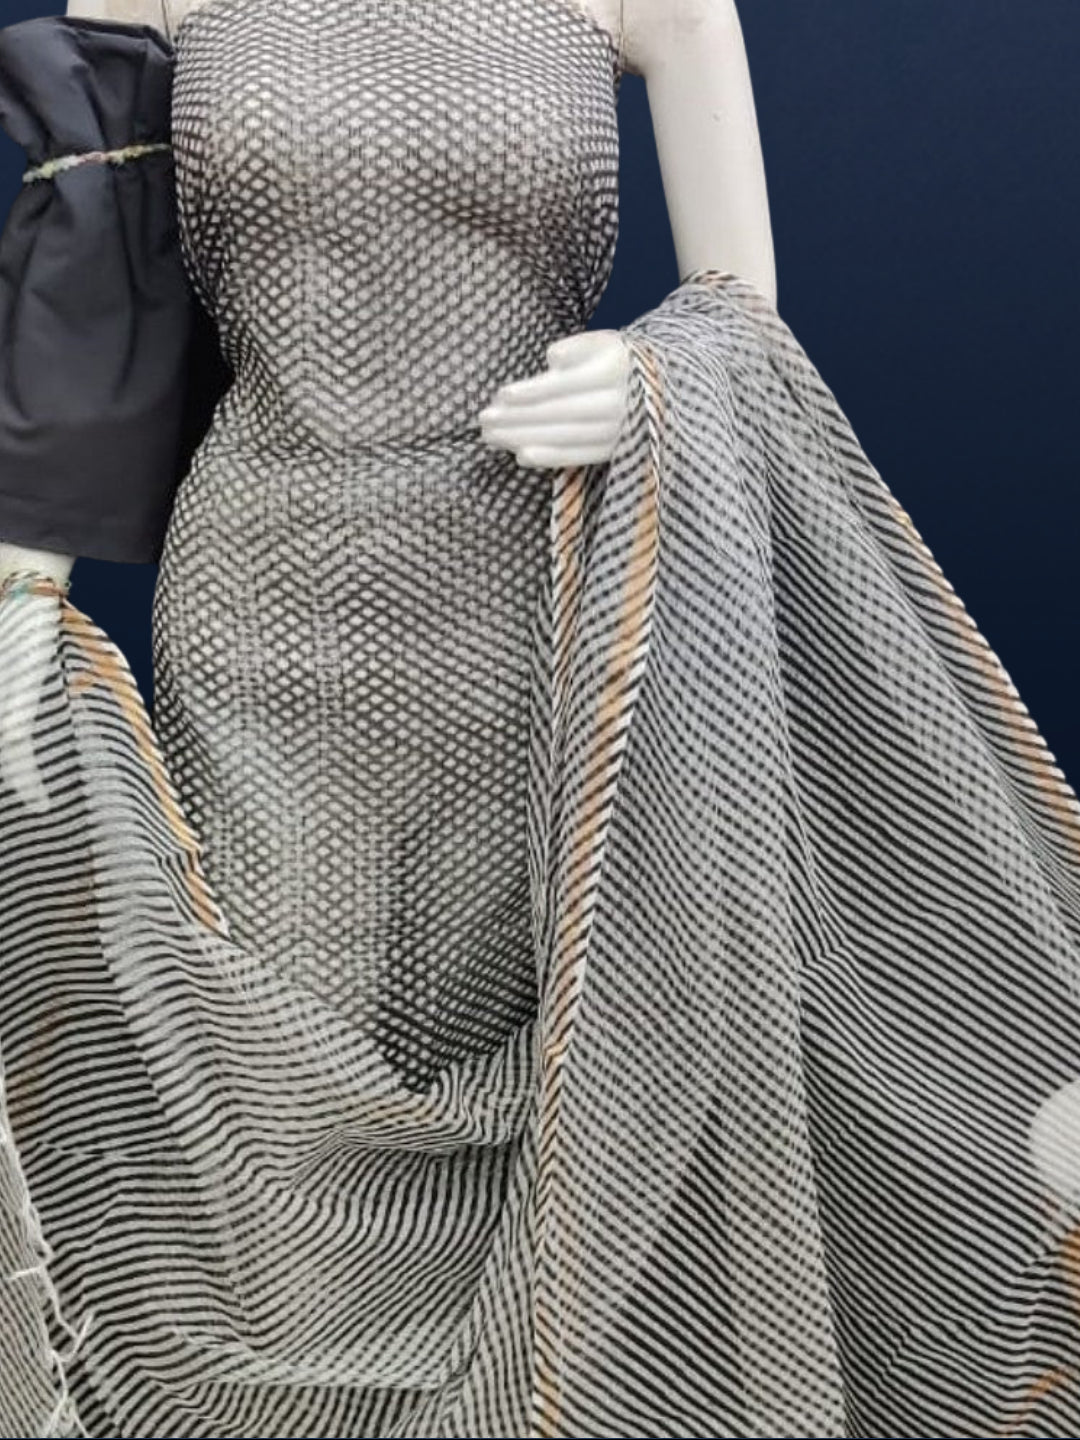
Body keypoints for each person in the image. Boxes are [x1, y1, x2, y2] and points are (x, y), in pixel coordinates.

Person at [0, 1, 1077, 1436]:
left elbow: (739, 310)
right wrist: (22, 589)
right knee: (269, 1095)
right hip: (262, 617)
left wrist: (656, 380)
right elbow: (88, 282)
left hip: (540, 599)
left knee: (570, 1046)